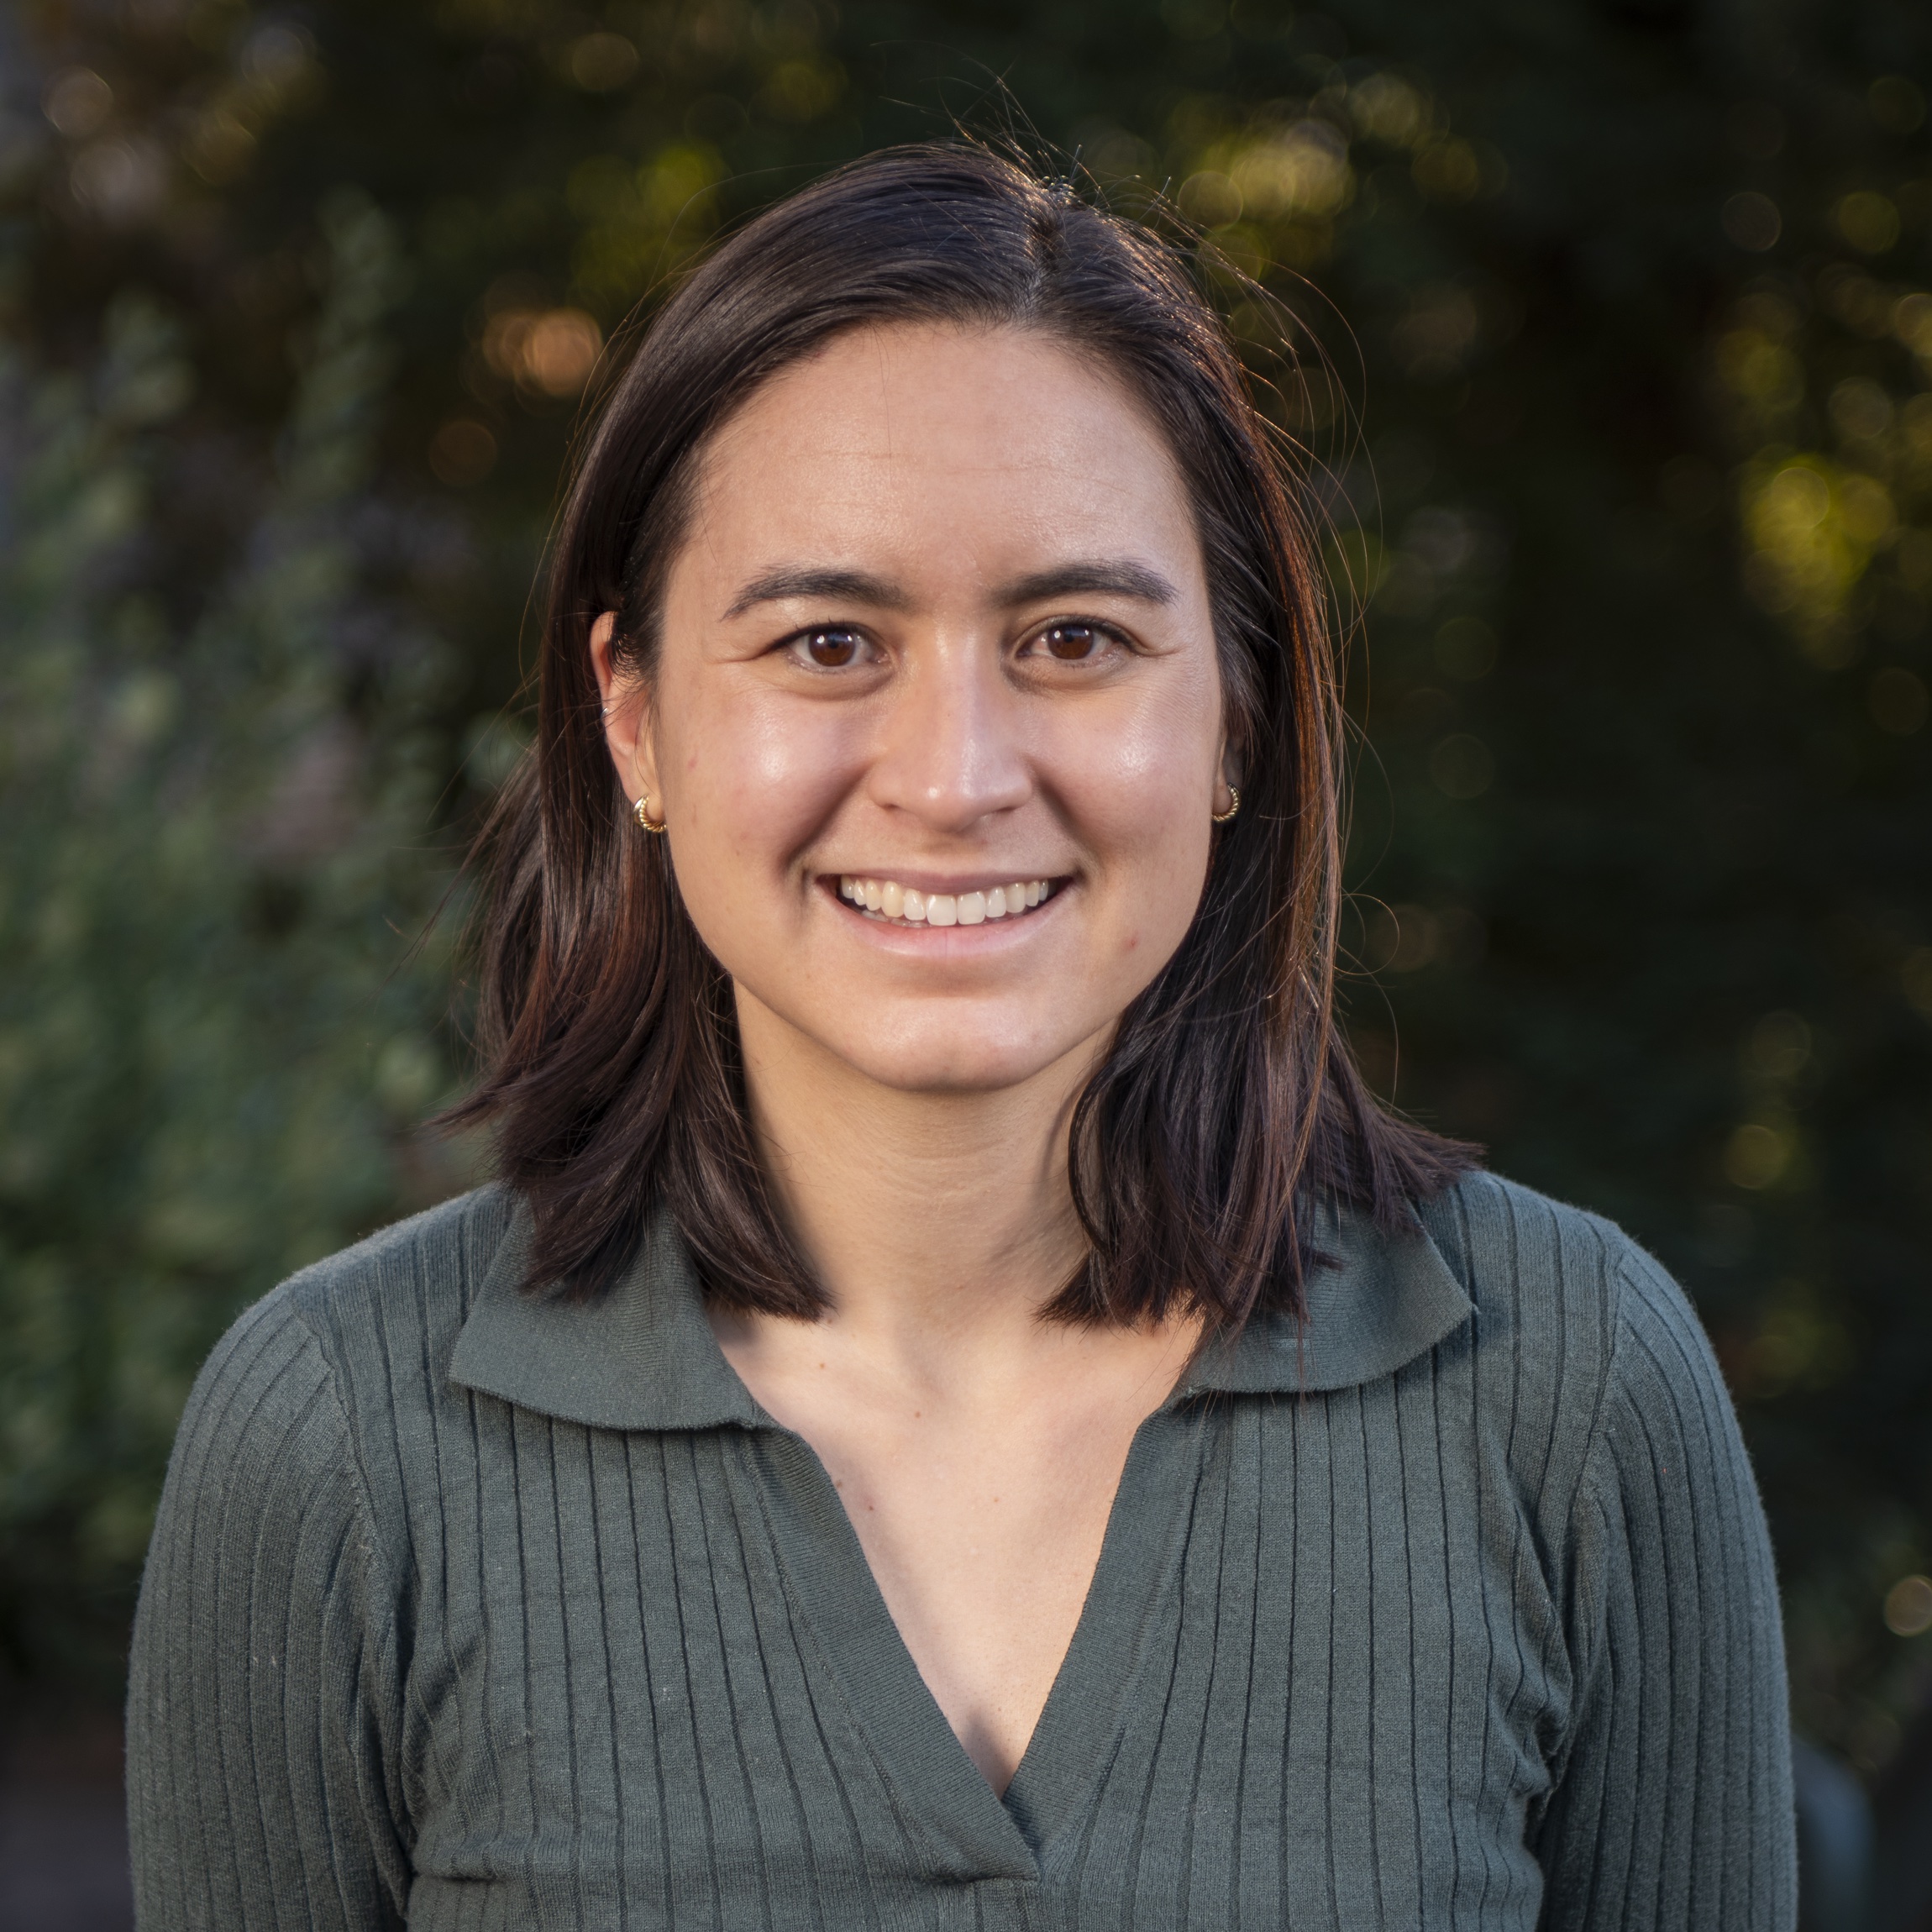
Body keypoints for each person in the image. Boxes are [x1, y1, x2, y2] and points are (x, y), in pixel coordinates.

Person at [126, 144, 1797, 1929]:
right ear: (636, 726)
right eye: (828, 640)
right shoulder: (336, 1444)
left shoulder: (1570, 1394)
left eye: (1073, 637)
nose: (953, 776)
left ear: (1232, 718)